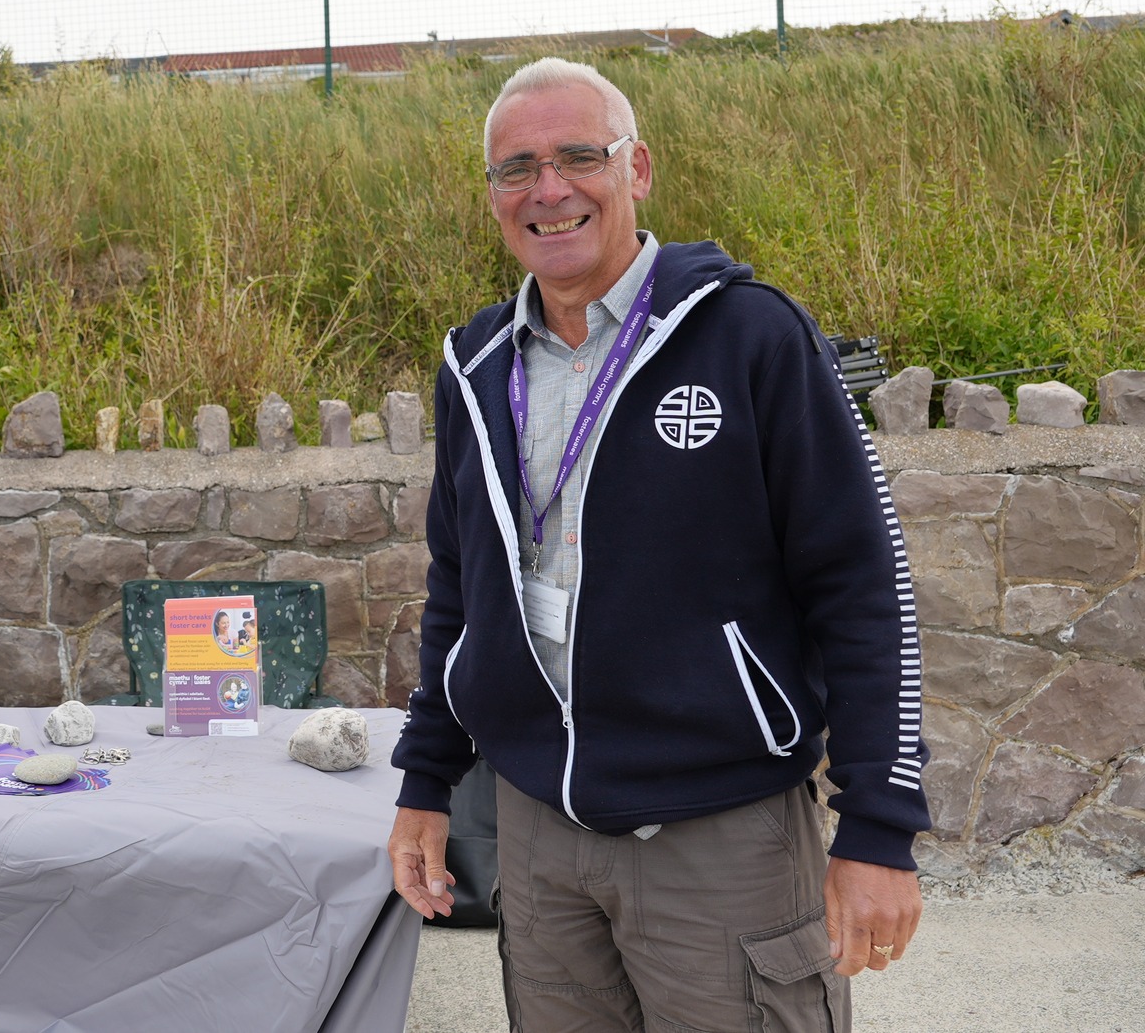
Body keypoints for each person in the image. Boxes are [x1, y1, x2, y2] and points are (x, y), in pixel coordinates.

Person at [386, 58, 928, 1031]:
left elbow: (860, 582)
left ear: (635, 170)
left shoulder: (750, 337)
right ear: (492, 196)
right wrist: (425, 784)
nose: (547, 190)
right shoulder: (472, 367)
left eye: (576, 157)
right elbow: (457, 589)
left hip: (719, 836)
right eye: (516, 168)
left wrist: (878, 828)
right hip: (539, 836)